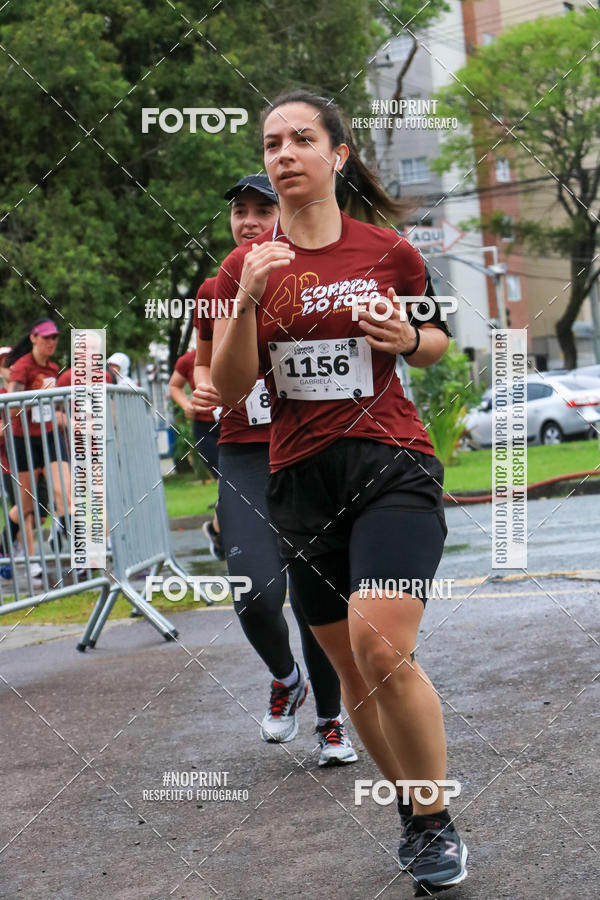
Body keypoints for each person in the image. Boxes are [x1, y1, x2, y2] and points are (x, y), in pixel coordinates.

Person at [211, 92, 467, 894]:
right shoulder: (243, 267)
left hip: (390, 463)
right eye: (271, 142)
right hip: (298, 484)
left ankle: (437, 818)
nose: (284, 153)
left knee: (380, 646)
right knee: (355, 679)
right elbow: (229, 385)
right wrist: (249, 296)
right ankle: (415, 817)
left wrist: (406, 337)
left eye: (301, 139)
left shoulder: (388, 252)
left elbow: (434, 343)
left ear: (339, 155)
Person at [192, 173, 357, 764]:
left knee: (320, 595)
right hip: (244, 454)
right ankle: (286, 678)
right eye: (240, 210)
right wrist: (202, 391)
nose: (249, 221)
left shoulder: (317, 277)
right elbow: (204, 368)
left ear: (287, 214)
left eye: (264, 209)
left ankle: (332, 721)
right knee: (255, 593)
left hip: (310, 448)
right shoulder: (215, 287)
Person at [6, 319, 71, 578]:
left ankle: (82, 557)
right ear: (33, 338)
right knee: (25, 507)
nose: (51, 342)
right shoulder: (22, 367)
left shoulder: (54, 367)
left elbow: (52, 408)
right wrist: (36, 396)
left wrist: (59, 412)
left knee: (64, 491)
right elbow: (10, 408)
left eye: (54, 338)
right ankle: (4, 546)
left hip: (49, 436)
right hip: (25, 441)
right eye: (46, 338)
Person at [168, 349, 223, 558]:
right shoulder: (190, 359)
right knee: (226, 482)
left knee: (231, 484)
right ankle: (220, 532)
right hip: (206, 428)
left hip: (235, 424)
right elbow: (174, 385)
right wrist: (186, 405)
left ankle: (217, 530)